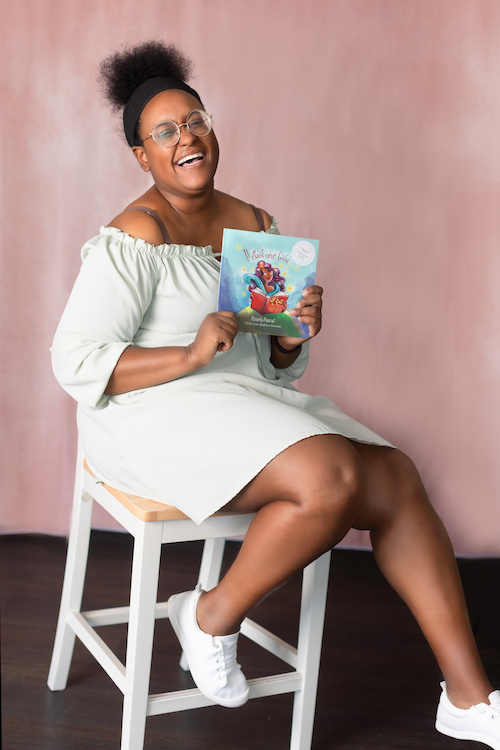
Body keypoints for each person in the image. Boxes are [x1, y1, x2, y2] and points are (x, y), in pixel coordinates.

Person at [51, 40, 500, 746]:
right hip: (150, 415)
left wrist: (293, 338)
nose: (187, 137)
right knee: (332, 477)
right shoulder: (136, 233)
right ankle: (208, 616)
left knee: (395, 475)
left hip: (240, 406)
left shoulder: (256, 225)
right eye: (165, 131)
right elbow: (75, 363)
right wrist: (190, 350)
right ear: (142, 155)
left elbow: (271, 366)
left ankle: (469, 697)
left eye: (194, 119)